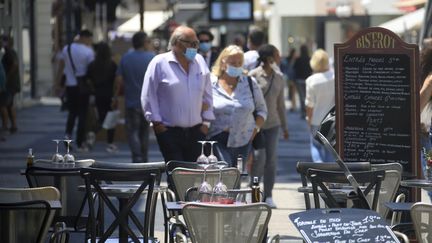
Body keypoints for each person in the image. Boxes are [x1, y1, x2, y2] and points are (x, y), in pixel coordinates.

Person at [141, 26, 215, 163]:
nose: (195, 47)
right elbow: (148, 95)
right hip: (169, 131)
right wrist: (157, 124)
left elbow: (207, 93)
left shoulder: (199, 61)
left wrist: (206, 124)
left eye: (196, 43)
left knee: (193, 174)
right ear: (177, 43)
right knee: (176, 173)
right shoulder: (159, 62)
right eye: (191, 43)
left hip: (196, 131)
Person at [208, 45, 267, 167]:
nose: (236, 65)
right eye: (233, 62)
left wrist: (255, 129)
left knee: (236, 178)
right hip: (217, 138)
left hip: (243, 139)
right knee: (224, 172)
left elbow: (262, 110)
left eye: (239, 63)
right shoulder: (210, 83)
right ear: (223, 63)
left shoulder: (250, 83)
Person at [249, 44, 289, 208]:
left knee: (271, 160)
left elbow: (280, 105)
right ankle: (254, 192)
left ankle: (269, 195)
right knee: (259, 159)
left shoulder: (279, 78)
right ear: (269, 58)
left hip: (273, 124)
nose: (279, 58)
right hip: (257, 125)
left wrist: (285, 127)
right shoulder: (252, 76)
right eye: (277, 55)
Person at [115, 32, 155, 163]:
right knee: (144, 132)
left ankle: (137, 156)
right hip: (148, 103)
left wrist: (115, 96)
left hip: (131, 102)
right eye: (148, 41)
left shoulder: (126, 58)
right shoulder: (152, 58)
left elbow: (119, 80)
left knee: (132, 131)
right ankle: (144, 157)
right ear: (144, 43)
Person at [55, 30, 94, 151]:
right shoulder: (89, 52)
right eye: (90, 39)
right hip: (83, 87)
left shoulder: (67, 48)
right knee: (82, 114)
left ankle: (68, 136)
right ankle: (80, 141)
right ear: (85, 38)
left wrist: (57, 84)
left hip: (70, 85)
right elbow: (91, 70)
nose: (90, 41)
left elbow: (61, 66)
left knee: (72, 113)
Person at [86, 42, 117, 153]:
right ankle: (110, 143)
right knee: (111, 118)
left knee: (101, 116)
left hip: (98, 94)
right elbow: (116, 80)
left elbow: (88, 79)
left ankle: (92, 132)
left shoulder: (92, 65)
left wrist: (93, 89)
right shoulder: (112, 65)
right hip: (109, 95)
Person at [304, 49, 334, 162]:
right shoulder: (335, 76)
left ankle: (319, 167)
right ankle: (328, 174)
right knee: (330, 149)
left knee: (315, 146)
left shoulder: (311, 80)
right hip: (332, 120)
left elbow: (309, 105)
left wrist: (308, 120)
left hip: (316, 120)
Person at [1, 35, 21, 134]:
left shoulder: (9, 52)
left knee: (3, 104)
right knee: (9, 104)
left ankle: (6, 126)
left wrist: (6, 77)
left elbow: (14, 64)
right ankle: (13, 125)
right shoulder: (10, 52)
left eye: (3, 40)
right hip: (12, 84)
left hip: (9, 84)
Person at [293, 44, 312, 119]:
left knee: (301, 97)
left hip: (299, 80)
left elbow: (294, 69)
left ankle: (303, 112)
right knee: (307, 97)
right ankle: (307, 112)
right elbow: (311, 69)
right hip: (308, 80)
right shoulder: (309, 59)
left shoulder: (298, 59)